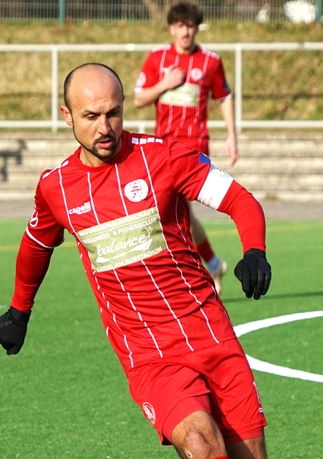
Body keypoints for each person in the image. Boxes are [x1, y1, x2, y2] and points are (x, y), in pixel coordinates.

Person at [0, 63, 299, 459]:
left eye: (113, 113)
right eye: (91, 116)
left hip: (209, 332)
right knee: (200, 442)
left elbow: (240, 200)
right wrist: (19, 310)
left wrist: (254, 250)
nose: (105, 126)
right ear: (66, 116)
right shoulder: (55, 186)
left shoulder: (164, 155)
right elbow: (36, 245)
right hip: (148, 353)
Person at [133, 2, 235, 294]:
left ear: (196, 28)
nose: (185, 32)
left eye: (190, 26)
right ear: (171, 29)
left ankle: (190, 276)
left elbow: (224, 97)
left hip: (194, 146)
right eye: (180, 26)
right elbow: (138, 99)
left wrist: (232, 135)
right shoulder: (157, 59)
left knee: (173, 210)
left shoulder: (210, 62)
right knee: (179, 212)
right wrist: (165, 84)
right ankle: (211, 263)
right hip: (163, 147)